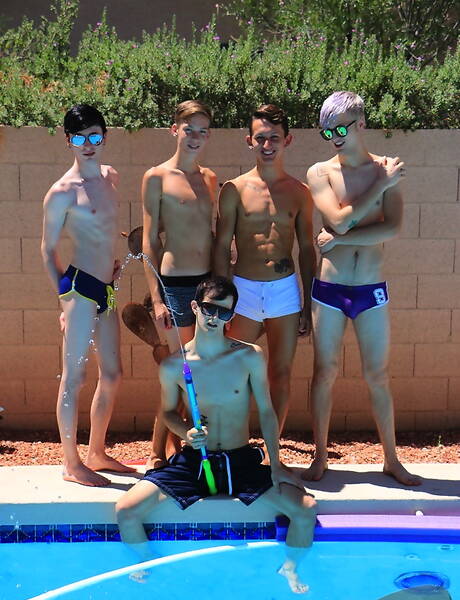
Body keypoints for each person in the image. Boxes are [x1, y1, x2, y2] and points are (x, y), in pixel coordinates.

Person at [116, 276, 317, 594]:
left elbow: (266, 411)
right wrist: (186, 432)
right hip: (196, 461)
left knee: (305, 510)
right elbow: (167, 412)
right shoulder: (174, 365)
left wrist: (276, 463)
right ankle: (149, 565)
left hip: (240, 461)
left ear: (231, 316)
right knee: (126, 511)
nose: (215, 318)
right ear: (195, 307)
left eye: (224, 312)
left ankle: (289, 569)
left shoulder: (249, 356)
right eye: (209, 309)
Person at [302, 91, 420, 486]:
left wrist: (339, 240)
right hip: (330, 288)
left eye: (340, 128)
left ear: (361, 124)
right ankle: (320, 456)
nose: (334, 137)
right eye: (327, 131)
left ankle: (391, 459)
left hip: (371, 288)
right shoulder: (320, 172)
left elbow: (392, 228)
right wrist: (380, 186)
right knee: (324, 372)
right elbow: (338, 219)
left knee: (378, 375)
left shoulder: (387, 168)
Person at [41, 104, 134, 486]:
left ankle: (96, 452)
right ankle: (71, 463)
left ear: (105, 136)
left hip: (105, 289)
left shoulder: (111, 177)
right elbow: (48, 250)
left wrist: (111, 266)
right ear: (68, 141)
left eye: (94, 135)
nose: (88, 144)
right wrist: (63, 301)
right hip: (78, 289)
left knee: (112, 374)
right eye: (79, 138)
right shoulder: (62, 192)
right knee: (74, 377)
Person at [213, 104, 316, 433]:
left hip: (284, 291)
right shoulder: (234, 189)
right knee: (231, 370)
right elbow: (221, 246)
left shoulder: (300, 193)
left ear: (288, 140)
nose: (267, 145)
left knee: (280, 374)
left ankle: (273, 450)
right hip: (243, 291)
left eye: (274, 138)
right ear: (249, 141)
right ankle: (234, 443)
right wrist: (221, 299)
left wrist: (308, 303)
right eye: (260, 138)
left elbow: (307, 249)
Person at [141, 100, 217, 469]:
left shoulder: (210, 178)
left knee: (198, 374)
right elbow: (149, 242)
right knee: (181, 374)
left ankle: (180, 451)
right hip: (175, 285)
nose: (195, 137)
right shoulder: (156, 176)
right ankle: (158, 452)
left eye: (203, 131)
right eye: (189, 129)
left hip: (207, 286)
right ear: (175, 130)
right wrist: (157, 298)